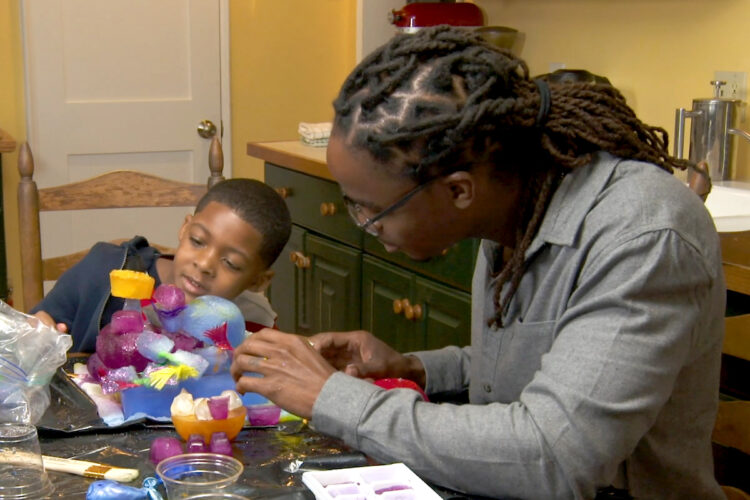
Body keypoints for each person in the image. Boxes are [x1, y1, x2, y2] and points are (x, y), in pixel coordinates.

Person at [230, 26, 725, 499]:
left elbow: (556, 455)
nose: (366, 225)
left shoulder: (643, 234)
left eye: (370, 210)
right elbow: (543, 361)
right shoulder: (512, 200)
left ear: (458, 190)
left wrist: (330, 397)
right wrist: (416, 367)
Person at [32, 178, 292, 353]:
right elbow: (35, 330)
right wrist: (39, 333)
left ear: (258, 281)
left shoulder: (254, 322)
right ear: (184, 228)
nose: (204, 264)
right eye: (198, 241)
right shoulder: (106, 269)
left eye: (230, 263)